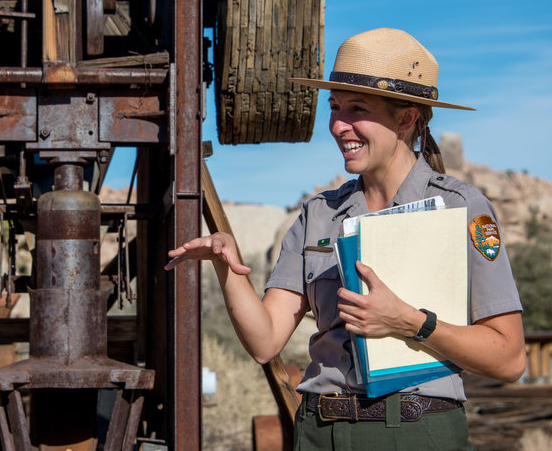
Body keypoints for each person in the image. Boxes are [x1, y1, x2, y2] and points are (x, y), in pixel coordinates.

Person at [166, 28, 525, 449]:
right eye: (334, 108)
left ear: (406, 118)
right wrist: (228, 268)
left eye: (357, 109)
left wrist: (411, 322)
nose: (338, 125)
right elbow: (265, 343)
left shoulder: (462, 209)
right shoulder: (318, 214)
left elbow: (510, 358)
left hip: (415, 432)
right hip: (319, 432)